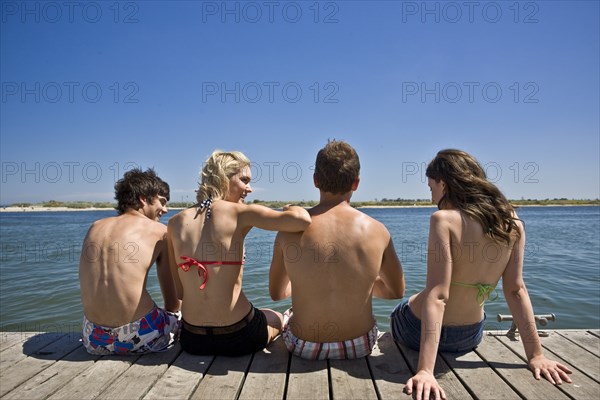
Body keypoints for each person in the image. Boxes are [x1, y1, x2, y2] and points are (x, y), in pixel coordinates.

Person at [390, 149, 572, 400]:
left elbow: (439, 296)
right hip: (469, 336)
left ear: (444, 183)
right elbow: (516, 290)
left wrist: (425, 371)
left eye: (431, 187)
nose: (432, 197)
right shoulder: (512, 222)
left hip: (415, 329)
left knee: (403, 307)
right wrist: (536, 355)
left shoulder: (443, 220)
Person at [269, 139, 405, 360]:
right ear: (356, 183)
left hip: (304, 346)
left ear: (315, 180)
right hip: (360, 345)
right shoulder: (377, 230)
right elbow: (396, 291)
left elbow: (276, 294)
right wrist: (358, 283)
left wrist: (307, 282)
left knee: (282, 316)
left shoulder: (289, 231)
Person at [167, 150, 311, 357]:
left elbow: (180, 293)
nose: (249, 189)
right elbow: (302, 222)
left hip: (192, 339)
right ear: (223, 177)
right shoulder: (240, 213)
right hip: (239, 335)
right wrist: (292, 207)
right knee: (277, 317)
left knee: (264, 315)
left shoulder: (174, 223)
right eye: (244, 180)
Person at [79, 168, 181, 355]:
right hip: (140, 336)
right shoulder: (159, 231)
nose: (165, 210)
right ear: (144, 198)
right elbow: (172, 302)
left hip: (93, 338)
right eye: (162, 202)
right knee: (178, 316)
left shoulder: (95, 227)